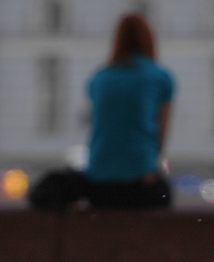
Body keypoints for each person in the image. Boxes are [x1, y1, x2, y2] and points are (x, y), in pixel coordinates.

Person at [27, 14, 174, 211]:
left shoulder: (99, 78)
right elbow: (160, 138)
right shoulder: (160, 77)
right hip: (140, 181)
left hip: (99, 182)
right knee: (164, 194)